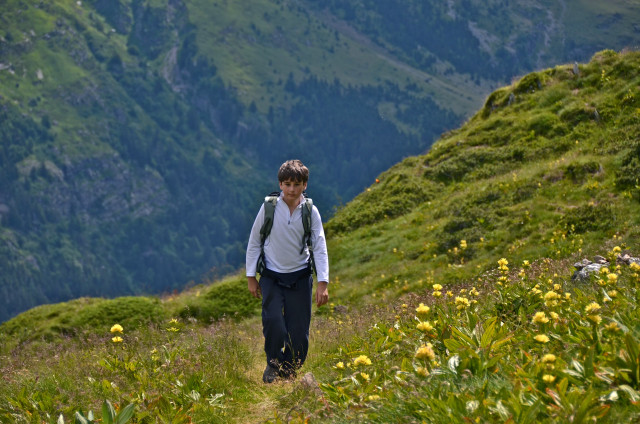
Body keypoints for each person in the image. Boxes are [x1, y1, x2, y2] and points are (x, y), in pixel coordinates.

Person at [246, 159, 329, 383]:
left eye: (296, 184)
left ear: (305, 185)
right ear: (280, 184)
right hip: (272, 276)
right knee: (273, 322)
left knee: (299, 332)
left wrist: (323, 283)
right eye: (287, 184)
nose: (291, 189)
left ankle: (289, 369)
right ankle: (273, 365)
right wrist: (251, 277)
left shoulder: (311, 212)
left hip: (300, 277)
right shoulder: (269, 208)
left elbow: (320, 247)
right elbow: (254, 242)